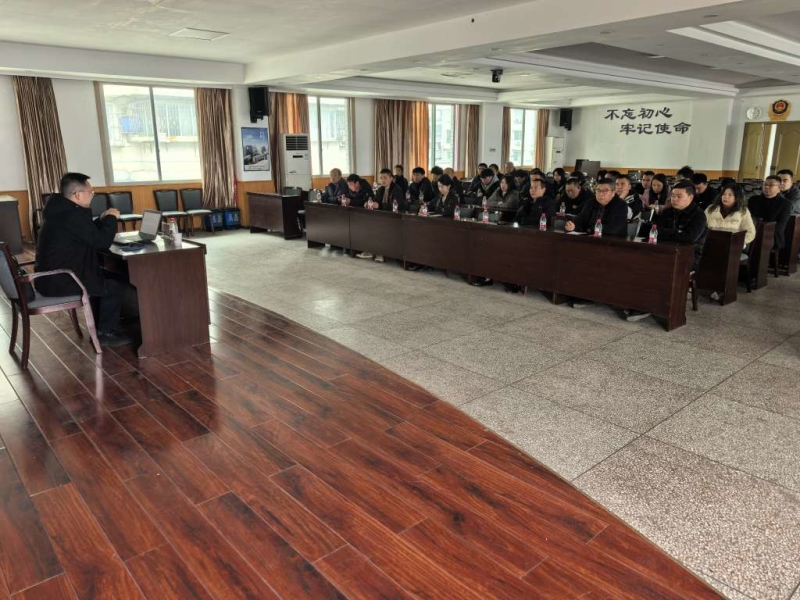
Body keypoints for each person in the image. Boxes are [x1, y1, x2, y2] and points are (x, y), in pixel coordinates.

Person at [34, 172, 129, 346]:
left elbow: (85, 234)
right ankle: (105, 333)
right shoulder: (71, 215)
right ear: (78, 194)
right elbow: (101, 242)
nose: (92, 196)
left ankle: (101, 328)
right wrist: (111, 218)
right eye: (91, 192)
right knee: (115, 283)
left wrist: (101, 220)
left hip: (52, 278)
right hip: (60, 280)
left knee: (107, 277)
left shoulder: (62, 211)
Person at [626, 181, 707, 322]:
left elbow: (688, 238)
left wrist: (666, 233)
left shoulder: (699, 216)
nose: (674, 199)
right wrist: (675, 233)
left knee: (656, 270)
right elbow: (655, 231)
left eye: (679, 196)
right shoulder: (668, 212)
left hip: (688, 257)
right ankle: (635, 300)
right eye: (673, 196)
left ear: (690, 197)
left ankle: (647, 306)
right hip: (663, 251)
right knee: (635, 263)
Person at [748, 176, 791, 250]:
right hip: (752, 230)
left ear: (779, 187)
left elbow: (780, 226)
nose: (767, 187)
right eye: (765, 184)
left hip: (772, 235)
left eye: (771, 185)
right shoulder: (753, 200)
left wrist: (760, 232)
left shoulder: (785, 204)